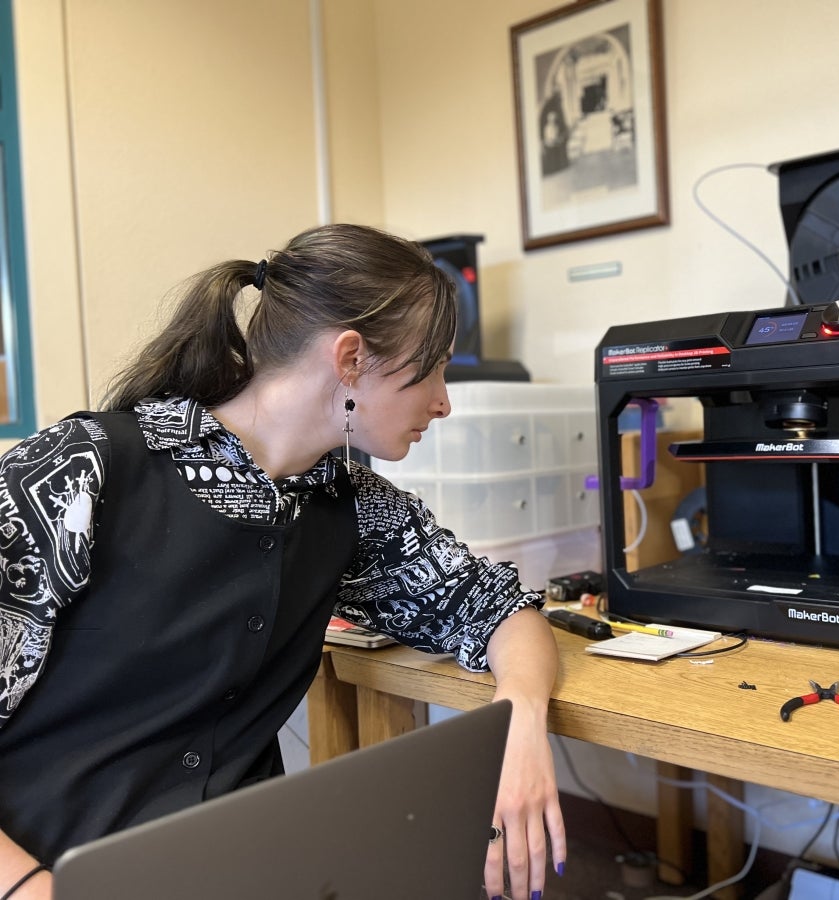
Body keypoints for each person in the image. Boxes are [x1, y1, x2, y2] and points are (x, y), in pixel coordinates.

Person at [0, 223, 566, 900]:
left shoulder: (352, 506)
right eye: (435, 365)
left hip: (235, 867)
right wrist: (31, 888)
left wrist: (521, 721)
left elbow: (498, 608)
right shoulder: (80, 471)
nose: (444, 401)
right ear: (351, 358)